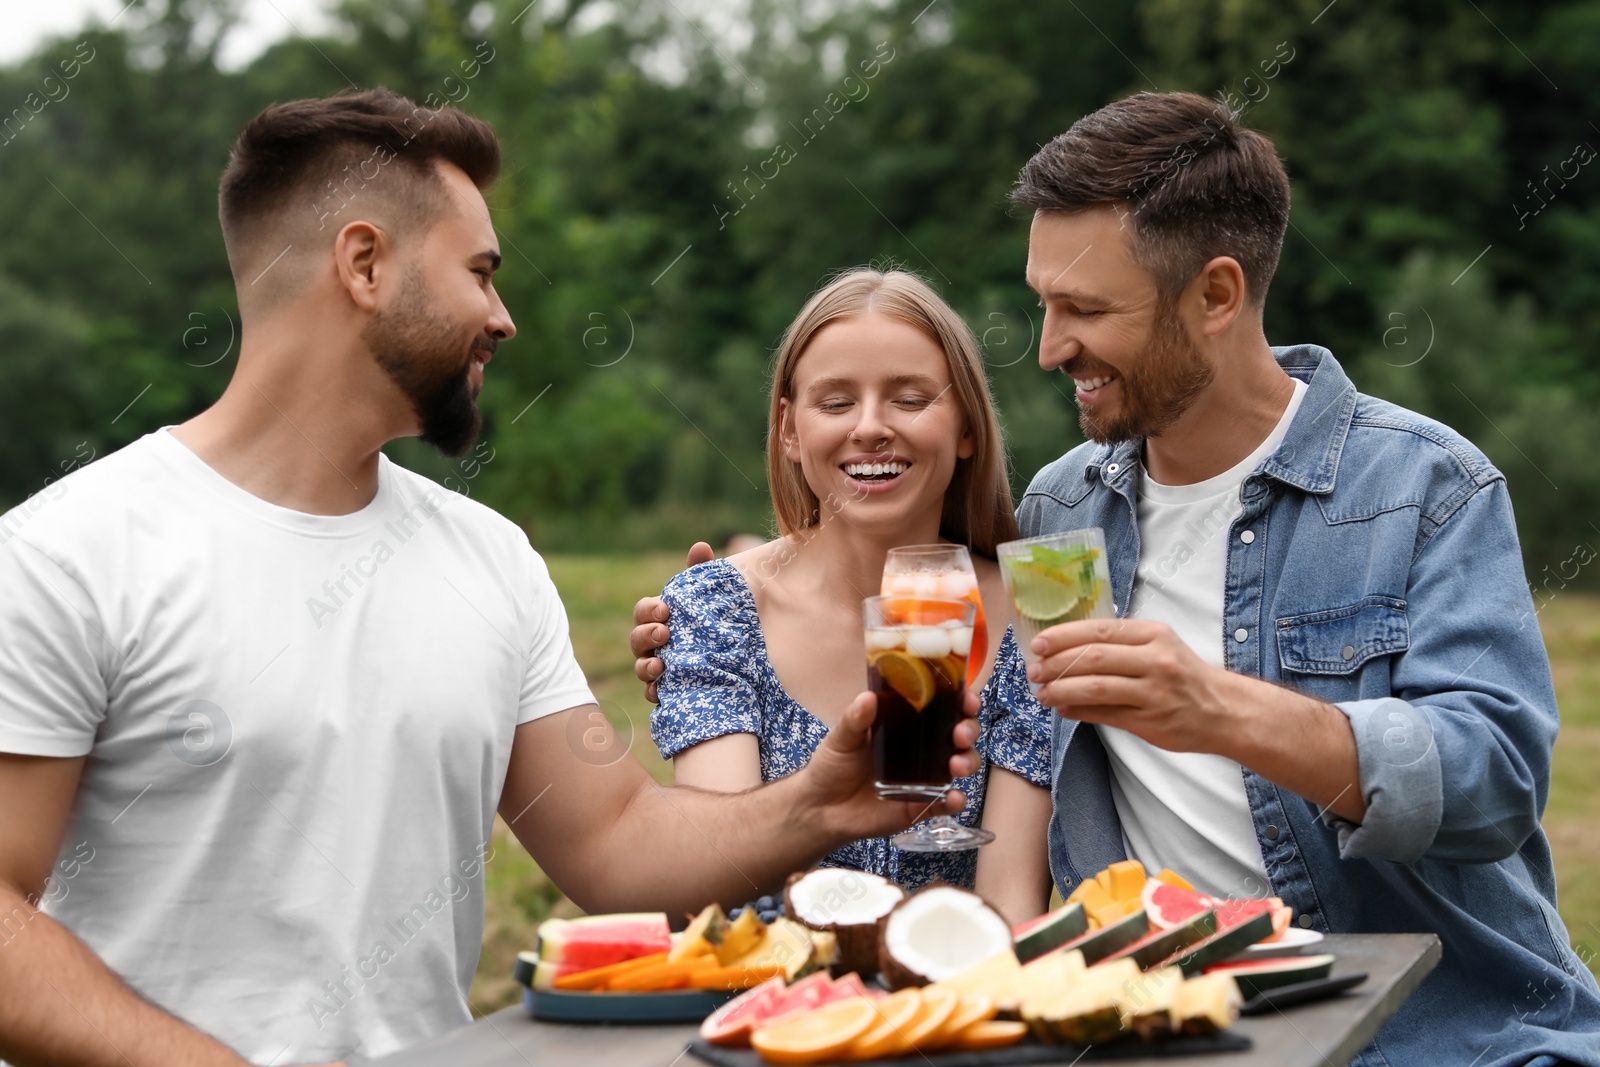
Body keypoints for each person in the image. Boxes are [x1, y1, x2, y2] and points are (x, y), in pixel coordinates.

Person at [0, 88, 981, 1067]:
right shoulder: (67, 554)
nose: (502, 318)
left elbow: (615, 840)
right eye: (479, 272)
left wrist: (818, 801)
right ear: (365, 261)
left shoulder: (490, 557)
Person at [631, 92, 1600, 1065]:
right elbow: (905, 583)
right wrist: (721, 616)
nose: (1050, 348)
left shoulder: (1420, 487)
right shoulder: (1063, 516)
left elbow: (1496, 781)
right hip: (1158, 1028)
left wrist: (1220, 707)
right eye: (1045, 303)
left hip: (1434, 1034)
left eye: (1085, 310)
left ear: (1216, 295)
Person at [651, 268, 1054, 923]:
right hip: (771, 1005)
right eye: (836, 403)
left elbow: (1007, 903)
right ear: (789, 429)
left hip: (962, 1000)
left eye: (910, 399)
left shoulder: (1030, 609)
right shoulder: (715, 608)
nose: (870, 427)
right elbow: (717, 895)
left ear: (966, 428)